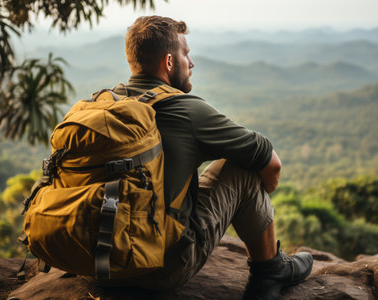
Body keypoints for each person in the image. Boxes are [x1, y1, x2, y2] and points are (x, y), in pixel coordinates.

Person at [107, 15, 313, 299]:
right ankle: (270, 271)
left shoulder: (102, 105)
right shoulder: (186, 110)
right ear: (169, 62)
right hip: (158, 270)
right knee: (243, 167)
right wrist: (256, 200)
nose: (191, 64)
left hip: (97, 262)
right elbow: (271, 164)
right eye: (186, 54)